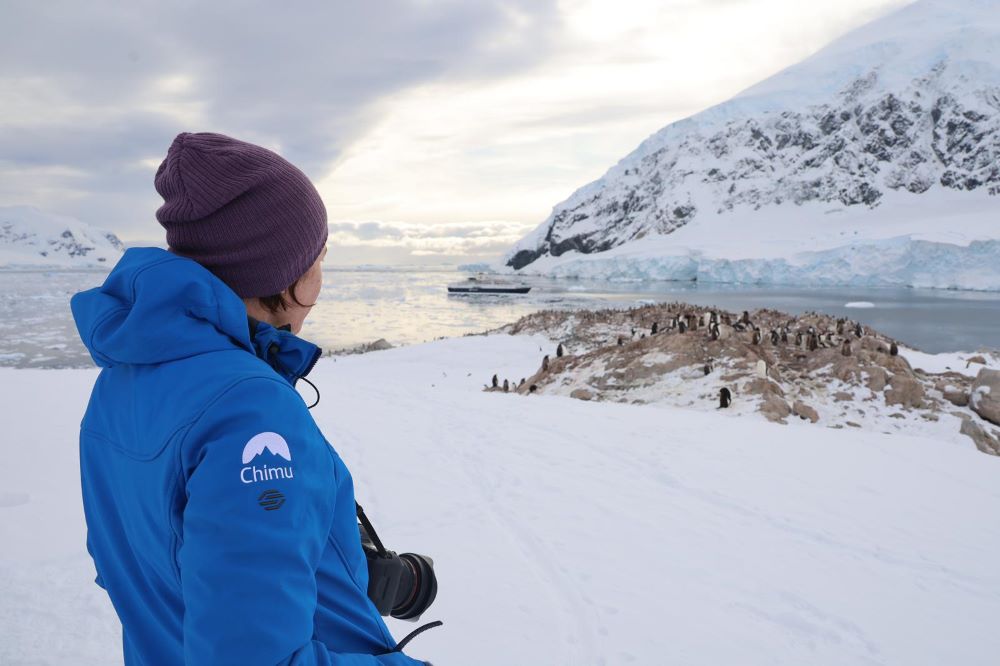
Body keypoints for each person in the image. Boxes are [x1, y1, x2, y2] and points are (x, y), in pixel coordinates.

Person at [70, 132, 432, 665]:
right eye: (318, 259)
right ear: (282, 277)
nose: (320, 282)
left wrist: (343, 570)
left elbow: (150, 562)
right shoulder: (250, 411)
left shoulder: (124, 380)